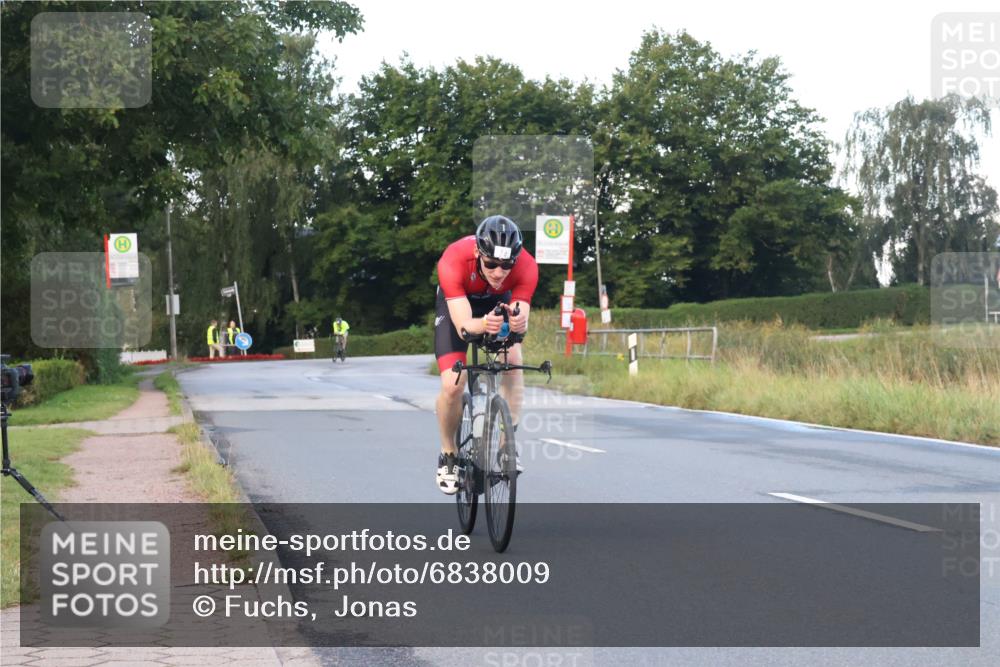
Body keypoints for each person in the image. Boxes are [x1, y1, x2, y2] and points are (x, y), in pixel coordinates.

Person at [433, 215, 537, 494]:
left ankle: (506, 448)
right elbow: (464, 326)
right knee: (452, 385)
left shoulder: (527, 265)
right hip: (459, 307)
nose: (499, 272)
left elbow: (521, 316)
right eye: (491, 264)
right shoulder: (454, 259)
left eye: (506, 265)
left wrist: (516, 323)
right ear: (479, 253)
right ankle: (448, 454)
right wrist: (483, 325)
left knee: (514, 362)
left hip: (497, 304)